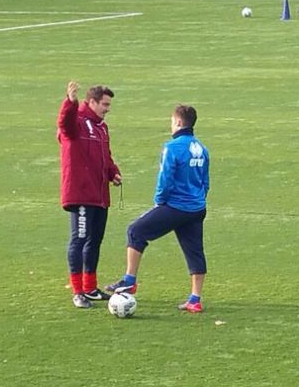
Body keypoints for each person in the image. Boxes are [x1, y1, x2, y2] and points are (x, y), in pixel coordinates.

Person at [106, 105, 210, 313]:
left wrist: (159, 201)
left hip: (175, 206)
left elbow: (165, 178)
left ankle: (129, 281)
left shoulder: (172, 147)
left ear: (179, 123)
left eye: (172, 122)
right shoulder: (202, 148)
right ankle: (195, 299)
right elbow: (205, 182)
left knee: (135, 231)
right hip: (197, 208)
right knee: (195, 252)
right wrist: (197, 200)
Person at [57, 81, 122, 309]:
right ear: (91, 102)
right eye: (104, 104)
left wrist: (112, 173)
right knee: (80, 239)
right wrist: (70, 101)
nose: (107, 108)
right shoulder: (77, 122)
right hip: (81, 194)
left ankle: (91, 288)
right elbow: (64, 125)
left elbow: (105, 155)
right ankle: (78, 292)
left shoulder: (101, 127)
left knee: (95, 241)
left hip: (99, 194)